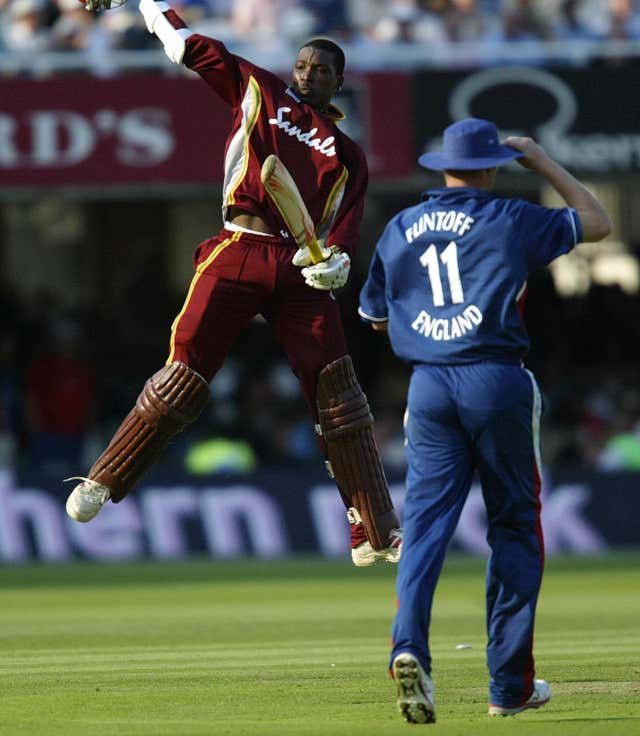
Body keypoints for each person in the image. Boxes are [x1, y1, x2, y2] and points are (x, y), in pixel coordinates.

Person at [65, 0, 402, 567]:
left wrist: (336, 262)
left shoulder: (348, 154)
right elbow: (188, 46)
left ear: (340, 81)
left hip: (299, 268)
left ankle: (372, 528)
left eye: (321, 70)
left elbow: (344, 228)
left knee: (338, 396)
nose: (308, 75)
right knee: (185, 375)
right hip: (238, 248)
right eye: (302, 65)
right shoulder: (260, 89)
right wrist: (147, 3)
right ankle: (105, 479)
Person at [358, 118, 611, 722]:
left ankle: (409, 646)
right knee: (515, 527)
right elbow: (598, 222)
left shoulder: (399, 228)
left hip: (429, 386)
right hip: (495, 378)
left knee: (423, 529)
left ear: (440, 164)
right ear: (493, 166)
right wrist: (544, 162)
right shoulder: (510, 218)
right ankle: (508, 686)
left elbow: (373, 316)